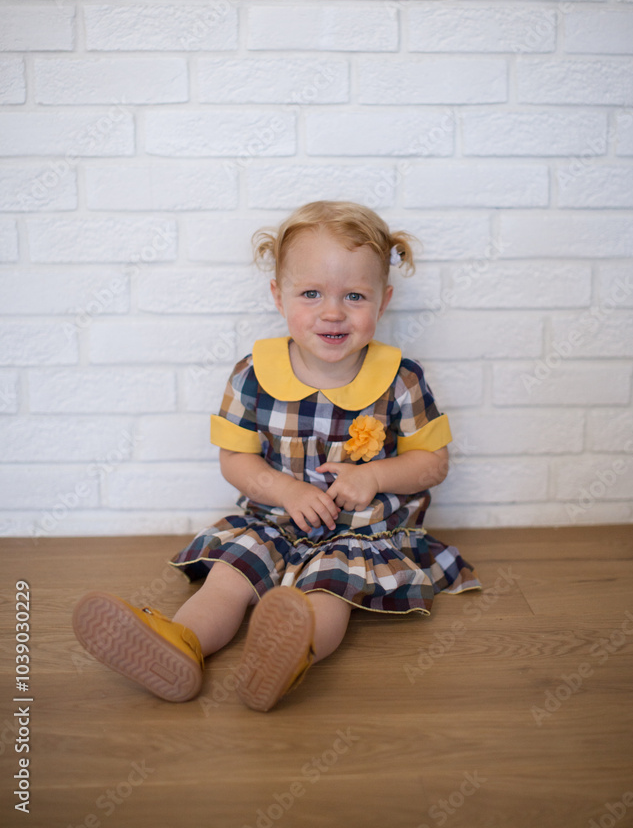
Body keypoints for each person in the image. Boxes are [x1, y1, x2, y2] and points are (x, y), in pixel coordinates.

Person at [73, 200, 480, 712]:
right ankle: (180, 644)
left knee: (327, 596)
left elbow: (433, 463)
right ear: (277, 296)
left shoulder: (400, 379)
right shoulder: (253, 374)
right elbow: (235, 461)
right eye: (311, 293)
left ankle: (289, 652)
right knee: (227, 580)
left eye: (354, 296)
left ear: (383, 302)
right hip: (271, 522)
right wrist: (285, 490)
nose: (332, 312)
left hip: (355, 534)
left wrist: (375, 476)